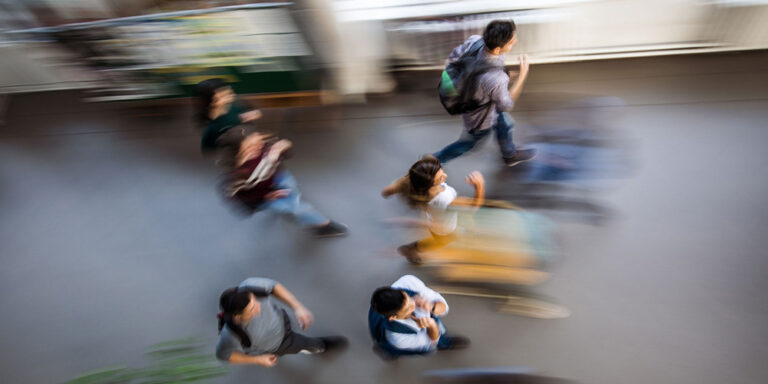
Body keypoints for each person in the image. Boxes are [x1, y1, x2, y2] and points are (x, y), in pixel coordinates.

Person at [432, 20, 536, 166]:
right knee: (467, 144)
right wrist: (522, 76)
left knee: (505, 124)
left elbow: (454, 60)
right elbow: (507, 104)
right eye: (512, 41)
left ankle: (509, 154)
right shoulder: (496, 79)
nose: (516, 42)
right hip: (480, 118)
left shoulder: (475, 41)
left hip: (479, 100)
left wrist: (476, 82)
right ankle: (435, 160)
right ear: (498, 49)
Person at [224, 132, 348, 237]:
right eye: (249, 148)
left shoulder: (263, 149)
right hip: (261, 196)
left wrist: (284, 148)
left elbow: (285, 154)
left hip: (278, 178)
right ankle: (323, 225)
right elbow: (243, 192)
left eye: (258, 143)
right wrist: (266, 195)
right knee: (299, 208)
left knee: (291, 189)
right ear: (238, 155)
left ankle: (292, 205)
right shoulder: (238, 175)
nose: (258, 148)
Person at [216, 277, 347, 366]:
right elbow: (223, 355)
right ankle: (320, 347)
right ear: (237, 317)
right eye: (252, 309)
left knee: (297, 335)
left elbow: (274, 287)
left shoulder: (250, 285)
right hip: (280, 344)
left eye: (255, 300)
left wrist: (298, 307)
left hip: (281, 319)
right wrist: (258, 359)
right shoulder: (230, 335)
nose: (259, 306)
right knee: (307, 344)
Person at [381, 156, 484, 263]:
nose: (445, 175)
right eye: (440, 178)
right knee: (441, 241)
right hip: (444, 229)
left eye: (442, 171)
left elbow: (386, 191)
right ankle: (411, 249)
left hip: (435, 218)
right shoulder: (444, 198)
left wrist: (390, 192)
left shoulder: (411, 182)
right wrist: (479, 185)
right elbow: (474, 207)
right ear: (430, 184)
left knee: (453, 226)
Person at [368, 274, 469, 358]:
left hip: (387, 320)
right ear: (393, 317)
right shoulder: (397, 337)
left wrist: (431, 307)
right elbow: (431, 343)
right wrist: (431, 325)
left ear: (402, 291)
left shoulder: (408, 283)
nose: (414, 304)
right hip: (402, 341)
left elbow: (444, 307)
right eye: (407, 309)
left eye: (408, 299)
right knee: (393, 349)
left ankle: (386, 350)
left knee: (441, 330)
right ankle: (388, 352)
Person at [196, 78, 263, 167]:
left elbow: (246, 111)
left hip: (242, 138)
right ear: (213, 102)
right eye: (224, 96)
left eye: (229, 92)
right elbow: (209, 145)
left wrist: (252, 114)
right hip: (234, 146)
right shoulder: (213, 126)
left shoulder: (232, 107)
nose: (231, 96)